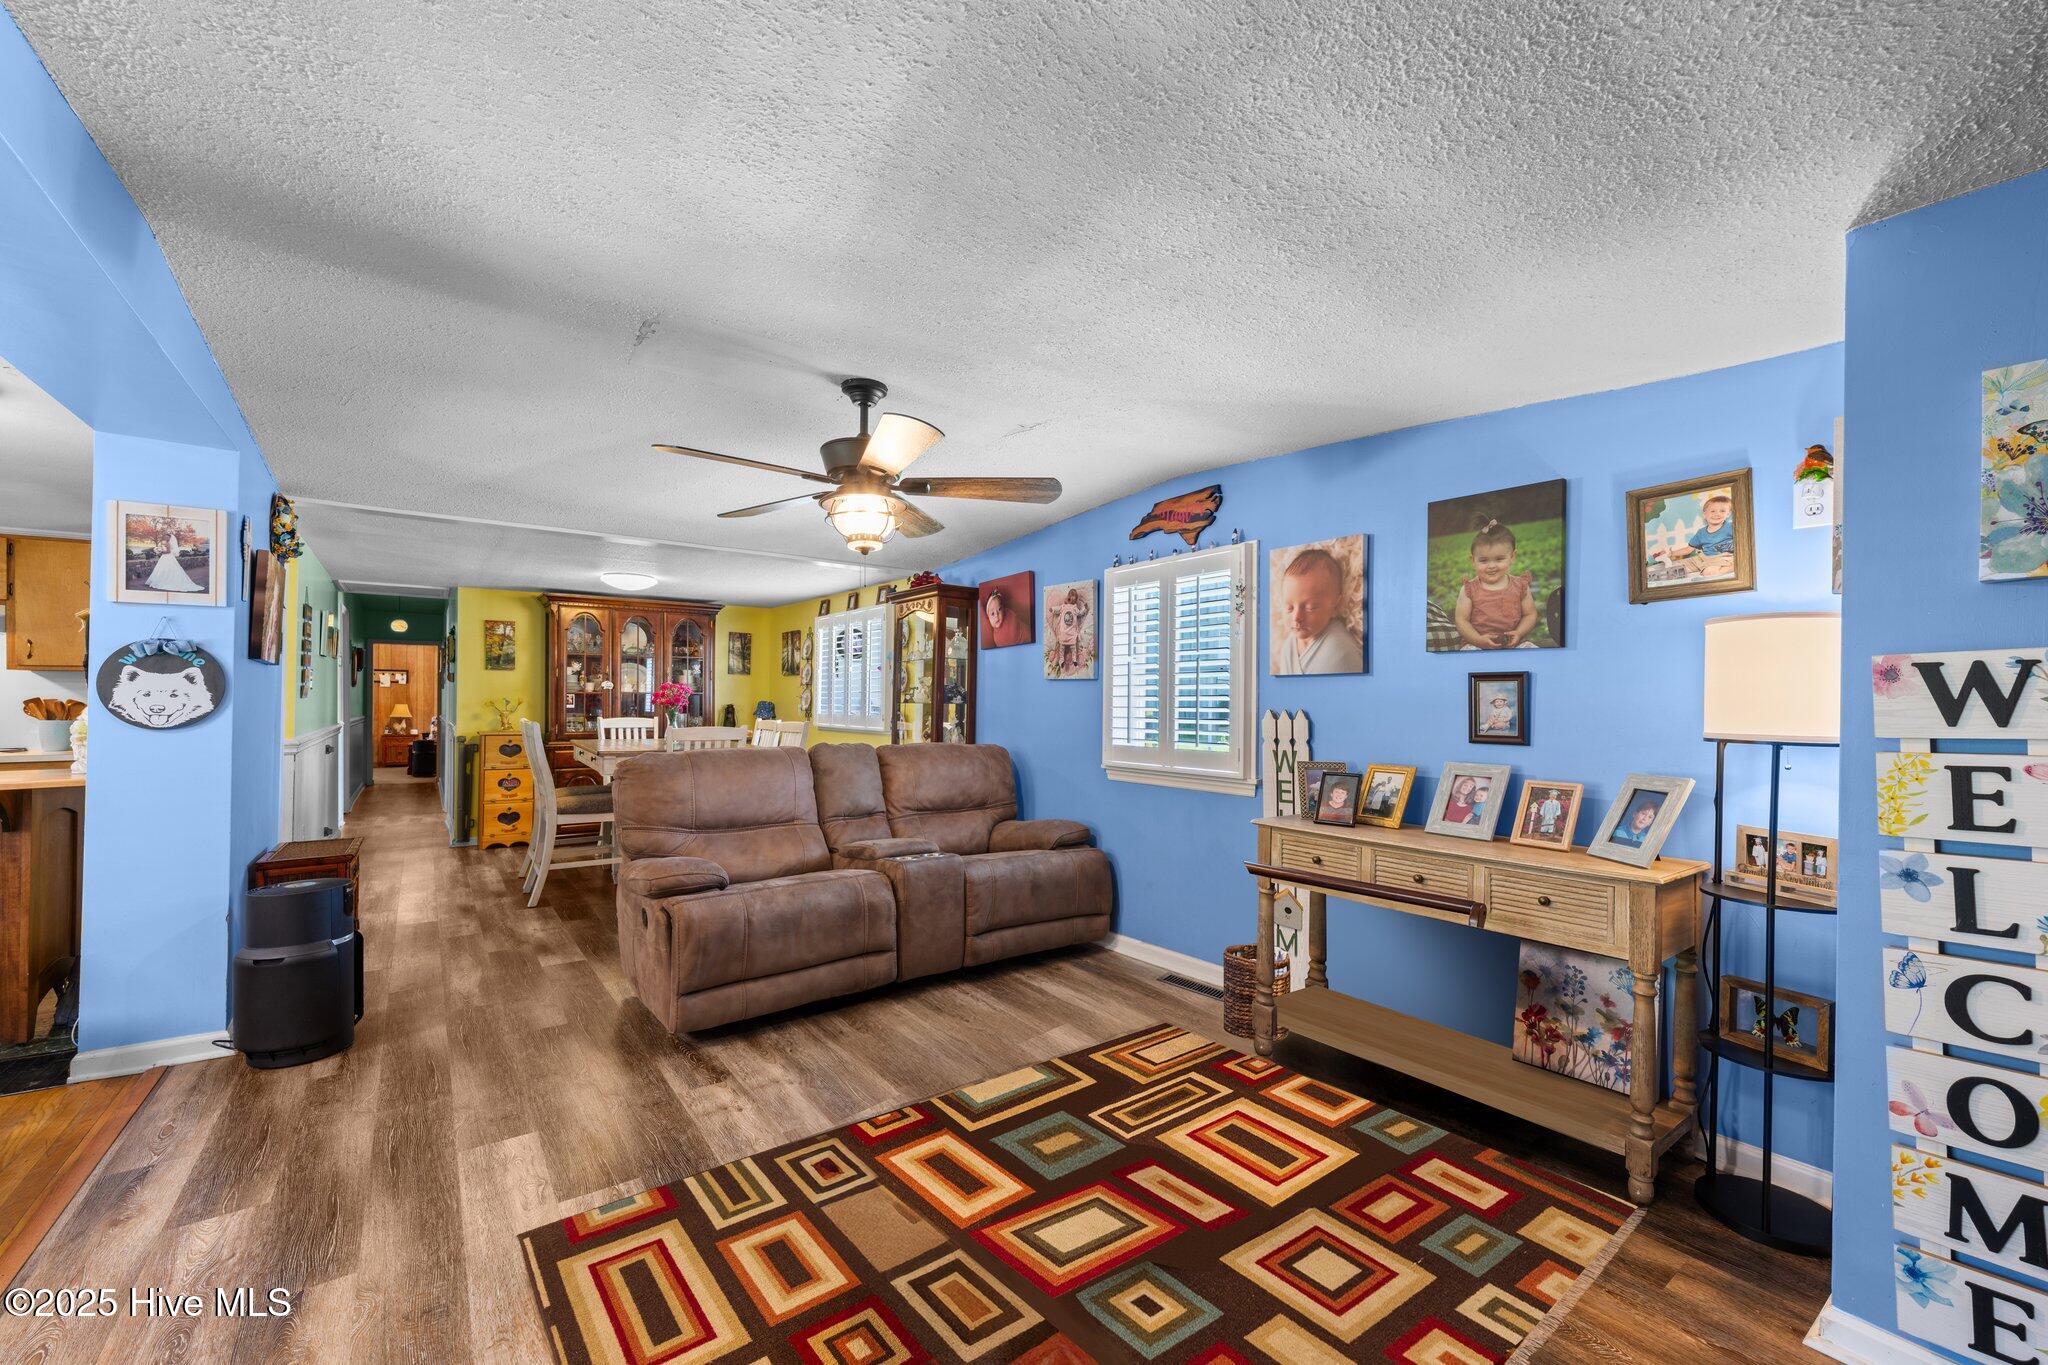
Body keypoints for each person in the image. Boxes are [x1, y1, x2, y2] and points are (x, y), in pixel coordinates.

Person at [1272, 548, 1364, 674]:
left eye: (1310, 608)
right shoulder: (1288, 647)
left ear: (1336, 606)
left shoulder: (1341, 651)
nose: (1296, 617)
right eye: (1289, 608)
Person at [1454, 520, 1538, 649]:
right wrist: (1478, 640)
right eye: (1483, 560)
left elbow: (1530, 614)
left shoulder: (1520, 586)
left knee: (1531, 650)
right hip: (1477, 644)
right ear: (1473, 560)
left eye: (1499, 559)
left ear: (1512, 556)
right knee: (1469, 653)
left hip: (1515, 643)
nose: (1492, 566)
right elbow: (1461, 621)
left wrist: (1519, 633)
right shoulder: (1469, 589)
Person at [1657, 492, 1736, 569]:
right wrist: (1672, 553)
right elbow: (1688, 549)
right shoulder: (1701, 533)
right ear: (1704, 514)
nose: (1717, 514)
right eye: (1713, 511)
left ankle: (1734, 567)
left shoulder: (1731, 527)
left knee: (1708, 572)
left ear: (1728, 514)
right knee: (1677, 566)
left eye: (1722, 511)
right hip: (1704, 558)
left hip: (1723, 557)